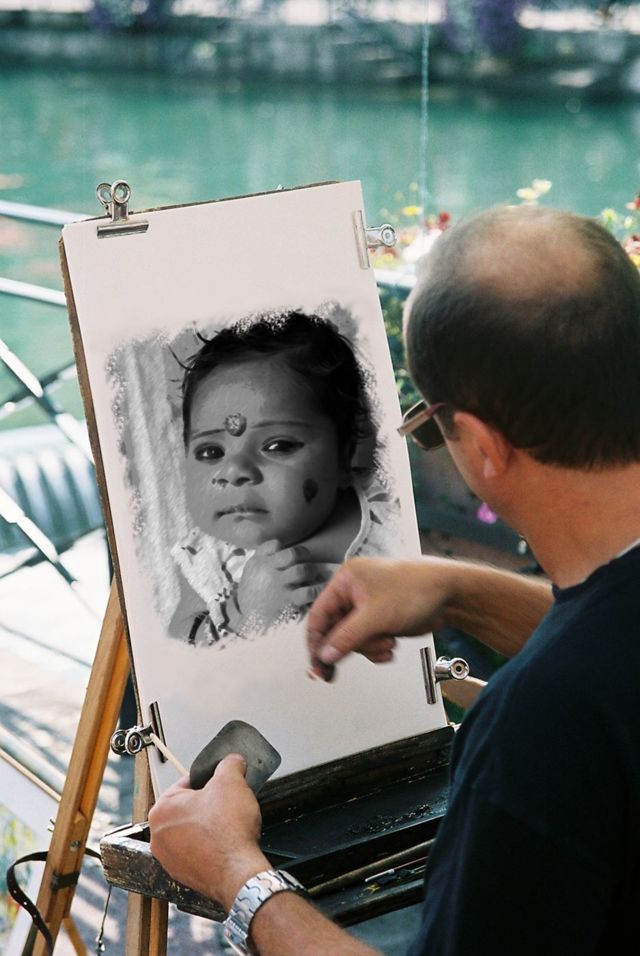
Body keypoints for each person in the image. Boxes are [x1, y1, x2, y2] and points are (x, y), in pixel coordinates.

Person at [149, 204, 640, 955]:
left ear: (480, 444)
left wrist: (238, 878)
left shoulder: (533, 732)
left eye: (429, 428)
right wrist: (460, 590)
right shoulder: (582, 684)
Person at [170, 311, 397, 645]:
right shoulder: (207, 556)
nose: (234, 471)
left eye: (277, 446)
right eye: (211, 452)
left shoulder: (388, 517)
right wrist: (243, 615)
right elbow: (179, 644)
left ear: (344, 456)